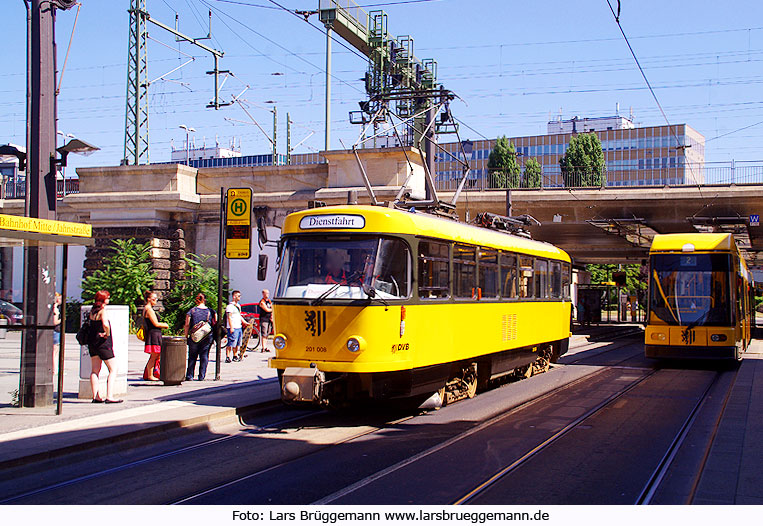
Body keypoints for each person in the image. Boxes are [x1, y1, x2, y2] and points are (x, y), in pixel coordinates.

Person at [87, 290, 121, 403]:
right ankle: (109, 396)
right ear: (103, 299)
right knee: (113, 369)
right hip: (103, 343)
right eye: (108, 297)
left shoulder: (92, 311)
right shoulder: (103, 311)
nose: (109, 299)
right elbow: (105, 324)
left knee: (95, 370)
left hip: (92, 342)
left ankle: (95, 396)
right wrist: (107, 333)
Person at [183, 293, 216, 381]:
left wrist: (186, 336)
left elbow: (187, 324)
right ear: (204, 300)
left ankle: (190, 375)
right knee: (204, 355)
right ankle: (201, 376)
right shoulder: (211, 311)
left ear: (196, 300)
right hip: (207, 336)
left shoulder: (192, 311)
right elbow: (215, 323)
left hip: (195, 336)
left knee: (192, 356)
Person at [143, 290, 169, 380]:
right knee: (154, 356)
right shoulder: (149, 309)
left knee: (156, 355)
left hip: (154, 334)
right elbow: (156, 323)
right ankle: (150, 375)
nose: (156, 300)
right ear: (149, 299)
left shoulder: (148, 308)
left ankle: (150, 373)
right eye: (154, 299)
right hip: (153, 334)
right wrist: (165, 325)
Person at [225, 290, 250, 362]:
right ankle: (227, 356)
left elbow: (239, 316)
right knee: (231, 342)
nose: (240, 297)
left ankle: (235, 355)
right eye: (238, 296)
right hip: (233, 327)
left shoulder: (238, 306)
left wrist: (245, 322)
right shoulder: (230, 306)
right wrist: (231, 327)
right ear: (234, 296)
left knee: (237, 343)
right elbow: (229, 317)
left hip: (239, 327)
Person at [52, 292, 62, 375]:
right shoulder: (55, 309)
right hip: (56, 331)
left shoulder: (52, 308)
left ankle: (54, 369)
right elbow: (55, 322)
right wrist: (62, 320)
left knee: (54, 352)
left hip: (54, 331)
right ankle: (54, 369)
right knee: (55, 352)